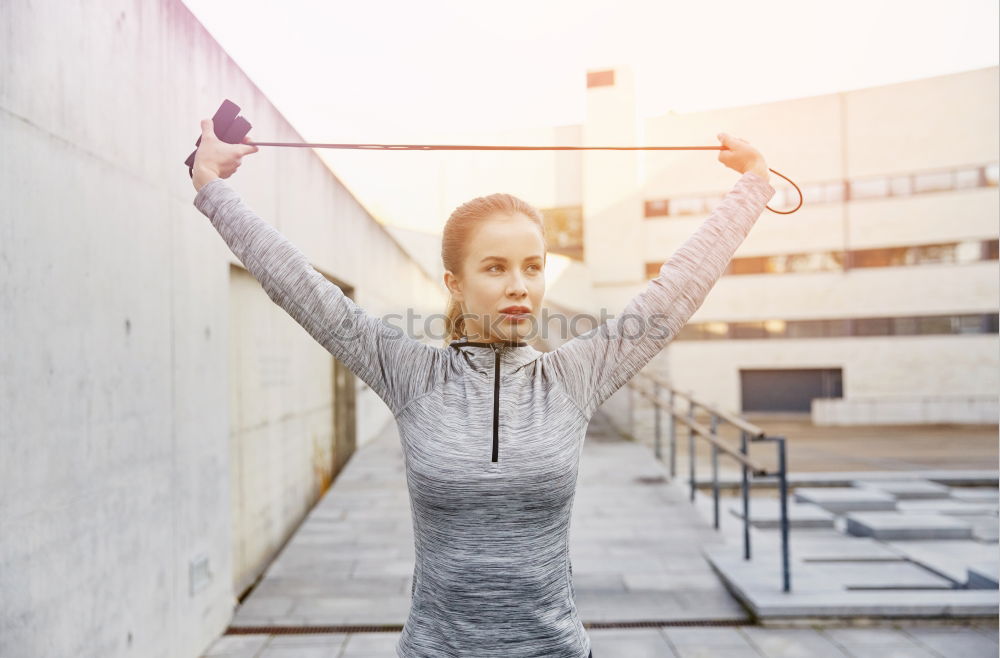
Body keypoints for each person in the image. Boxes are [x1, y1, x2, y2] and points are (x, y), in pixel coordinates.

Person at [191, 119, 775, 658]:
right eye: (495, 267)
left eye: (533, 266)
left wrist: (752, 186)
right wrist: (213, 187)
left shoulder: (573, 376)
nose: (519, 285)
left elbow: (671, 296)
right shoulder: (412, 375)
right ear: (456, 283)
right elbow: (303, 289)